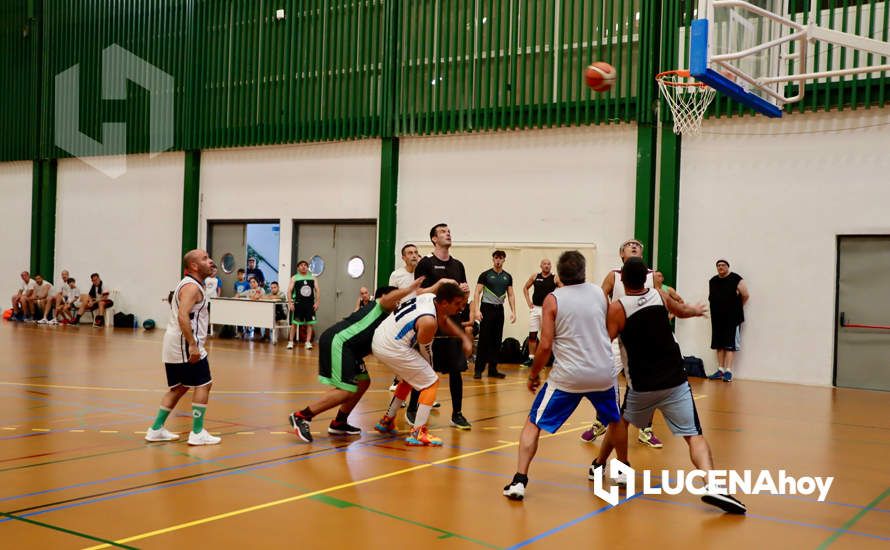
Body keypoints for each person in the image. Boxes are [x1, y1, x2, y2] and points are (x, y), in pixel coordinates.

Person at [592, 257, 746, 514]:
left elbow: (602, 342)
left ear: (622, 281)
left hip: (641, 386)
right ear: (646, 279)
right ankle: (713, 485)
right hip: (675, 381)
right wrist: (696, 311)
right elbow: (682, 310)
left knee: (619, 422)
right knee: (694, 436)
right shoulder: (658, 296)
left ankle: (599, 465)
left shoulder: (617, 308)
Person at [503, 251, 625, 501]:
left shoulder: (552, 299)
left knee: (533, 423)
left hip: (568, 376)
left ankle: (519, 480)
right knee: (616, 420)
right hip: (602, 371)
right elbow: (609, 325)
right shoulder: (599, 293)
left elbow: (545, 345)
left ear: (559, 274)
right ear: (584, 270)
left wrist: (533, 374)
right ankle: (623, 469)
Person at [288, 279, 428, 442]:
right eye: (395, 298)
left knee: (363, 381)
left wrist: (436, 287)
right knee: (346, 390)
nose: (398, 303)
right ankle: (301, 416)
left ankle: (339, 422)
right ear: (383, 297)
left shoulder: (389, 318)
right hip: (339, 342)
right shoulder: (379, 305)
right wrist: (409, 288)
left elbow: (415, 298)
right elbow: (395, 298)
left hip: (351, 350)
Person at [579, 239, 666, 449]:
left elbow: (660, 301)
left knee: (646, 384)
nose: (635, 245)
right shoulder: (614, 275)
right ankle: (602, 420)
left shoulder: (652, 276)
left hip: (643, 339)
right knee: (605, 378)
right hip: (617, 335)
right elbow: (599, 300)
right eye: (630, 245)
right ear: (622, 254)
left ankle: (645, 429)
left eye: (638, 244)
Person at [373, 282, 473, 446]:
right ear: (445, 303)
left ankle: (387, 421)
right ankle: (418, 432)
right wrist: (429, 371)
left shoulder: (431, 298)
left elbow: (445, 321)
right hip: (392, 346)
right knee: (431, 381)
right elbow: (426, 353)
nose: (461, 308)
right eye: (457, 304)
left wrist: (463, 338)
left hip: (382, 337)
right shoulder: (428, 321)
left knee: (410, 378)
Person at [145, 249, 220, 446]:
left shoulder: (193, 283)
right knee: (204, 383)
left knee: (179, 387)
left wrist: (209, 272)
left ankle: (155, 430)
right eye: (204, 258)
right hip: (185, 343)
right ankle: (197, 432)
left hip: (175, 341)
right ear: (194, 266)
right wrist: (193, 346)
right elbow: (182, 315)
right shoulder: (191, 288)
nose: (209, 260)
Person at [408, 223, 474, 430]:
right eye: (443, 232)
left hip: (452, 325)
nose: (448, 234)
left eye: (449, 231)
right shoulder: (426, 263)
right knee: (424, 370)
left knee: (456, 370)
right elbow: (416, 293)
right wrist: (438, 286)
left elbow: (464, 298)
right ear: (434, 239)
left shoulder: (458, 265)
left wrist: (465, 292)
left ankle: (457, 414)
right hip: (431, 324)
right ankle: (413, 408)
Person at [473, 250, 516, 379]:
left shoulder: (507, 277)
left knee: (496, 340)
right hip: (486, 308)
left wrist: (514, 311)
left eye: (501, 258)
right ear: (493, 259)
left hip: (499, 310)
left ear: (504, 260)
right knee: (484, 339)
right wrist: (476, 310)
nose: (498, 260)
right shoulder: (485, 275)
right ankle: (479, 370)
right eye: (496, 258)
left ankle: (493, 369)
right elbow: (477, 293)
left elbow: (511, 294)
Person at [707, 259, 749, 383]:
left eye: (723, 265)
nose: (720, 267)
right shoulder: (713, 281)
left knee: (730, 345)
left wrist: (736, 307)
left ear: (727, 267)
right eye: (718, 265)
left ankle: (728, 371)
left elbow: (746, 295)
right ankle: (720, 370)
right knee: (719, 344)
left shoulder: (736, 278)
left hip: (733, 318)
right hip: (717, 318)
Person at [387, 243, 421, 391]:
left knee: (420, 355)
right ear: (403, 257)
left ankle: (421, 390)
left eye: (415, 252)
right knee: (403, 353)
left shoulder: (423, 274)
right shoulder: (396, 275)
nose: (413, 255)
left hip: (421, 319)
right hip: (402, 319)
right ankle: (397, 382)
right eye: (410, 253)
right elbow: (392, 298)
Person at [521, 259, 560, 367]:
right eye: (545, 264)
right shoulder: (535, 276)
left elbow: (564, 290)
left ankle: (549, 358)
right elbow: (525, 288)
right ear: (541, 266)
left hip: (547, 310)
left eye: (549, 264)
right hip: (535, 308)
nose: (547, 266)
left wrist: (556, 304)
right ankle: (531, 358)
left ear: (551, 266)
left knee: (546, 336)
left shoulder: (555, 277)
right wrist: (529, 302)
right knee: (532, 334)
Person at [287, 260, 319, 350]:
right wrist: (290, 303)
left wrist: (317, 302)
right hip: (298, 304)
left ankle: (308, 342)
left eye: (305, 265)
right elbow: (289, 291)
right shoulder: (294, 278)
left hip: (309, 304)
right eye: (301, 265)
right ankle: (290, 342)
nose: (303, 266)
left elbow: (318, 290)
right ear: (298, 267)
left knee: (310, 324)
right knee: (294, 324)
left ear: (307, 267)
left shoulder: (313, 278)